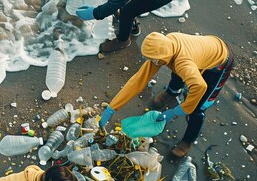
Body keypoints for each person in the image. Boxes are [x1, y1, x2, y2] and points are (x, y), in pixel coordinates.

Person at [98, 32, 234, 157]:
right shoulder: (165, 45)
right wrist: (112, 107)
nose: (154, 63)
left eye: (155, 61)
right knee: (178, 72)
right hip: (198, 54)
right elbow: (138, 81)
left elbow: (200, 87)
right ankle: (171, 93)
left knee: (199, 107)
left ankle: (187, 141)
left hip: (219, 62)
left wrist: (177, 111)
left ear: (163, 56)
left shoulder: (182, 62)